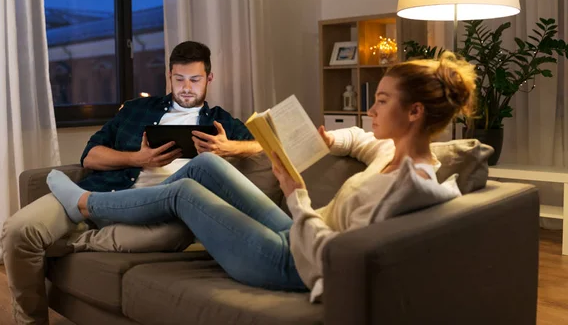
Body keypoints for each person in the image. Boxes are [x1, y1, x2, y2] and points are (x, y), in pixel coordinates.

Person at [46, 53, 476, 303]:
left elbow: (335, 259)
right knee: (207, 165)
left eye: (382, 101)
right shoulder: (391, 150)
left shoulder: (406, 187)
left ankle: (84, 204)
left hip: (294, 263)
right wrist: (323, 140)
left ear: (415, 112)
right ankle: (101, 203)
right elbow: (358, 138)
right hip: (298, 234)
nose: (373, 109)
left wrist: (297, 194)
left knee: (184, 194)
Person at [0, 41, 262, 325]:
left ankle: (68, 241)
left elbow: (264, 146)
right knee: (17, 231)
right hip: (102, 189)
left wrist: (229, 148)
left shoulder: (220, 122)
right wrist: (138, 158)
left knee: (175, 235)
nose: (187, 87)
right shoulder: (136, 110)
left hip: (154, 213)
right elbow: (90, 157)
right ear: (169, 76)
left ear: (209, 78)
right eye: (179, 79)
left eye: (195, 80)